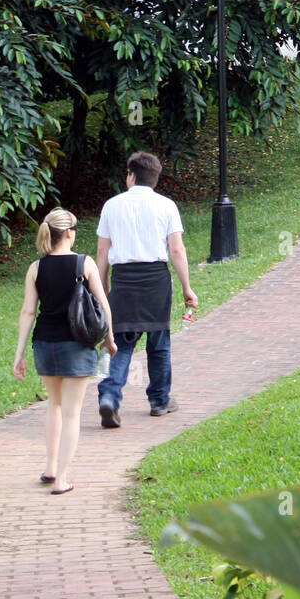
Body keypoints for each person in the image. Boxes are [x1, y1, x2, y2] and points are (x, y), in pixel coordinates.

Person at [13, 206, 116, 493]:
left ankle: (50, 467)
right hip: (76, 344)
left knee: (54, 406)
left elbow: (27, 312)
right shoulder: (84, 264)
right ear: (69, 233)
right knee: (72, 413)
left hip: (44, 345)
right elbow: (103, 305)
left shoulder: (36, 267)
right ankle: (62, 479)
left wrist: (19, 353)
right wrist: (110, 339)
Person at [95, 151, 197, 426]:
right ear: (155, 179)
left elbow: (102, 252)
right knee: (159, 343)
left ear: (130, 175)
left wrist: (102, 285)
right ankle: (159, 400)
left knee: (119, 343)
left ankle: (109, 397)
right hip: (156, 280)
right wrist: (187, 287)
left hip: (124, 280)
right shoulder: (166, 206)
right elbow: (176, 249)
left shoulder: (111, 206)